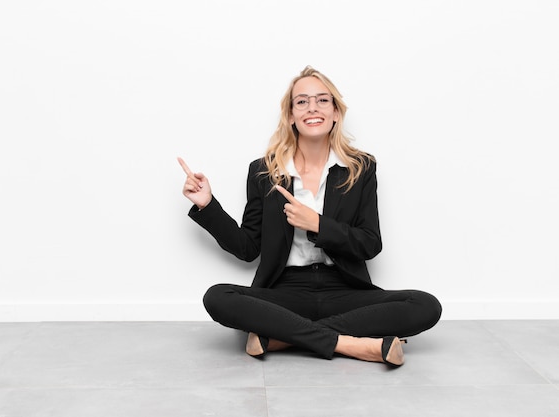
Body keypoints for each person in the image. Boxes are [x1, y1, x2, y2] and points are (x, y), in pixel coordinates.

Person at [178, 66, 441, 367]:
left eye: (322, 100)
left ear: (336, 112)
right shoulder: (263, 171)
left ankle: (279, 337)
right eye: (302, 101)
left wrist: (317, 225)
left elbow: (369, 244)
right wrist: (207, 205)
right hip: (285, 292)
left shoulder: (361, 168)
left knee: (425, 305)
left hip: (344, 290)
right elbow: (247, 248)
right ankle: (355, 345)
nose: (312, 108)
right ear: (290, 115)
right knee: (217, 296)